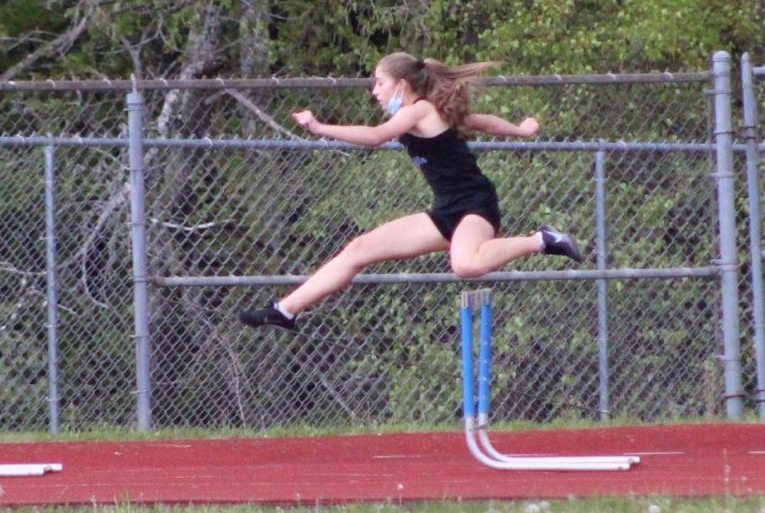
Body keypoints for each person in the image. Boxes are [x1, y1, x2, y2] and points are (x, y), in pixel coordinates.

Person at [238, 52, 583, 330]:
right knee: (358, 250)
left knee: (465, 265)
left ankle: (541, 240)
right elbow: (482, 121)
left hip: (475, 205)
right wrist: (521, 130)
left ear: (401, 85)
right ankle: (285, 310)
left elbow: (375, 137)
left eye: (379, 83)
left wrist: (318, 127)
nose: (375, 91)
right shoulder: (435, 112)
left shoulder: (418, 110)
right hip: (445, 210)